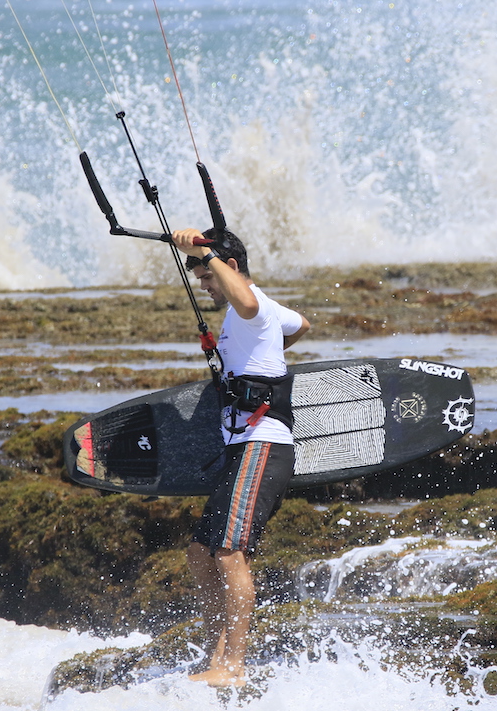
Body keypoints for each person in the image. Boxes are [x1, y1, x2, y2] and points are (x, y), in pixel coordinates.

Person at [171, 226, 310, 687]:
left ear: (228, 268)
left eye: (208, 278)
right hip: (240, 447)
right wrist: (267, 353)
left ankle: (234, 665)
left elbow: (251, 304)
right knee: (199, 553)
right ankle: (216, 657)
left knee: (230, 551)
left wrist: (203, 252)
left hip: (263, 443)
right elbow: (301, 325)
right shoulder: (254, 315)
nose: (205, 287)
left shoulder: (249, 307)